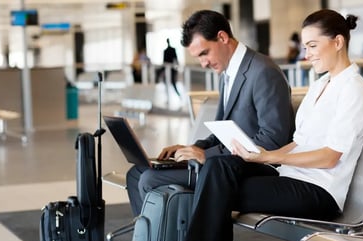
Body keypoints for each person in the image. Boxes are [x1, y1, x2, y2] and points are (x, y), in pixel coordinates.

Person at [181, 9, 363, 241]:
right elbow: (299, 141)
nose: (307, 55)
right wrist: (260, 157)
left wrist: (268, 156)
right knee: (219, 166)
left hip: (319, 190)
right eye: (305, 47)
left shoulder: (354, 90)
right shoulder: (320, 85)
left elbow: (330, 157)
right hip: (290, 175)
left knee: (216, 189)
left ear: (338, 42)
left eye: (313, 46)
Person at [125, 10, 295, 219]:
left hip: (255, 168)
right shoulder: (229, 73)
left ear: (223, 38)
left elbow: (272, 140)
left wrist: (208, 156)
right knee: (136, 174)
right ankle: (150, 239)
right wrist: (194, 148)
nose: (203, 63)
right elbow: (222, 131)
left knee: (150, 179)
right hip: (225, 162)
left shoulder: (263, 71)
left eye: (204, 53)